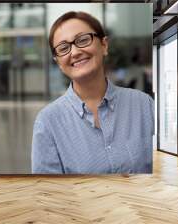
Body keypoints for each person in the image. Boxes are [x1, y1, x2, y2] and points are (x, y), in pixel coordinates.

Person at [31, 11, 154, 174]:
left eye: (82, 40)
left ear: (104, 45)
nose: (74, 52)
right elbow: (48, 194)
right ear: (58, 62)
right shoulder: (48, 122)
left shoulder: (144, 105)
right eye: (63, 48)